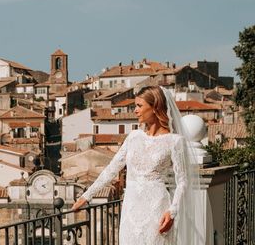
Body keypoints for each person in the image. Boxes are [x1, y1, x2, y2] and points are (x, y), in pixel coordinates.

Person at [71, 85, 202, 245]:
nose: (135, 110)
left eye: (139, 106)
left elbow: (182, 181)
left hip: (157, 209)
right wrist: (86, 196)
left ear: (155, 107)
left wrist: (172, 211)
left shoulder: (174, 141)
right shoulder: (133, 137)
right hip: (130, 211)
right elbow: (112, 169)